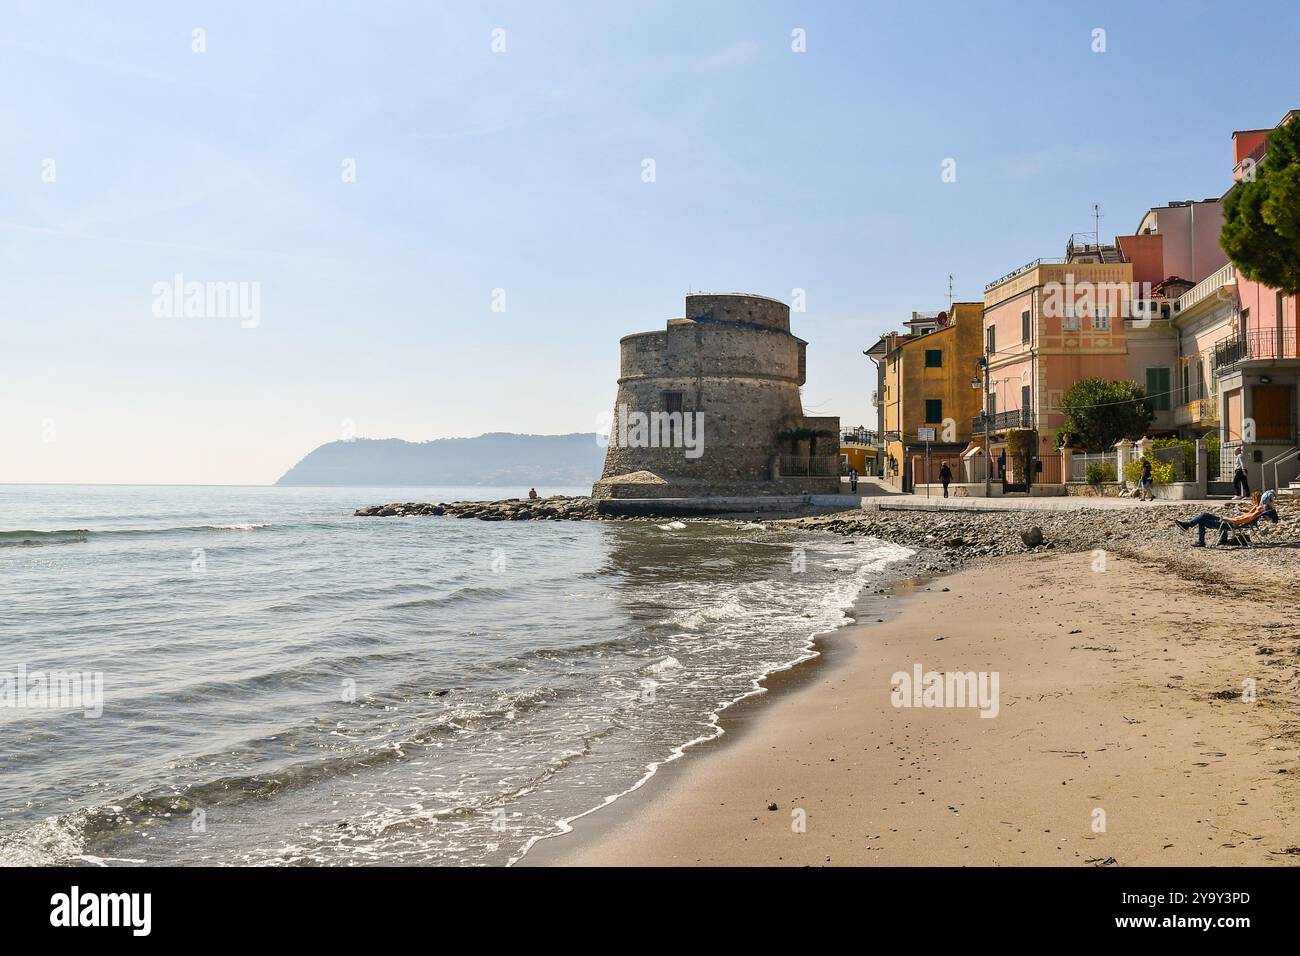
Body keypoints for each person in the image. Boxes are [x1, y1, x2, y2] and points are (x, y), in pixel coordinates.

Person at [1175, 491, 1272, 547]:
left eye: (1260, 507)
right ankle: (1222, 540)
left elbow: (1239, 521)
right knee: (1204, 515)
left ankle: (1197, 537)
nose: (1259, 506)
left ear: (1260, 510)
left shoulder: (1253, 515)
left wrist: (1227, 519)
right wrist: (1256, 507)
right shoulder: (1253, 514)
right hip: (1229, 522)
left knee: (1202, 520)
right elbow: (1248, 514)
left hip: (1228, 524)